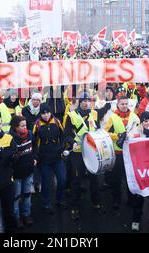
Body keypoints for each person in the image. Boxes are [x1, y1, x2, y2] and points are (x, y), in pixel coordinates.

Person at [63, 92, 102, 220]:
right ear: (79, 102)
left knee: (94, 178)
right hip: (78, 152)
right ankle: (74, 207)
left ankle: (96, 202)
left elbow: (98, 131)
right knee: (77, 179)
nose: (86, 103)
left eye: (88, 100)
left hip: (92, 152)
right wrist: (72, 142)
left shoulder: (95, 114)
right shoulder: (71, 115)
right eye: (83, 100)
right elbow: (67, 134)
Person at [104, 96, 140, 209]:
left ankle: (131, 199)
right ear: (118, 105)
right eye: (122, 104)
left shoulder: (135, 117)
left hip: (131, 153)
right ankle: (116, 199)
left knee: (131, 178)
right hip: (118, 153)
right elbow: (106, 133)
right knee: (117, 178)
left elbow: (140, 132)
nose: (124, 106)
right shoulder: (112, 117)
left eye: (126, 104)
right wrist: (118, 136)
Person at [33, 103, 67, 214]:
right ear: (40, 114)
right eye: (43, 113)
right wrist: (36, 157)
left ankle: (60, 199)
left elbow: (63, 136)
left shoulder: (56, 121)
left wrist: (62, 148)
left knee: (62, 180)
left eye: (48, 112)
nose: (46, 115)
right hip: (44, 160)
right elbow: (34, 143)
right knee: (46, 183)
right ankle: (46, 203)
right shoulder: (37, 125)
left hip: (57, 158)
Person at [9, 115, 37, 228]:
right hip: (16, 173)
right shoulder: (10, 138)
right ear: (15, 127)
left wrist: (35, 158)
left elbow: (35, 147)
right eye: (22, 126)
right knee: (16, 196)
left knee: (27, 195)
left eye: (25, 125)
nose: (25, 127)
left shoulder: (29, 134)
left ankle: (26, 215)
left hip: (29, 170)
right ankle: (16, 218)